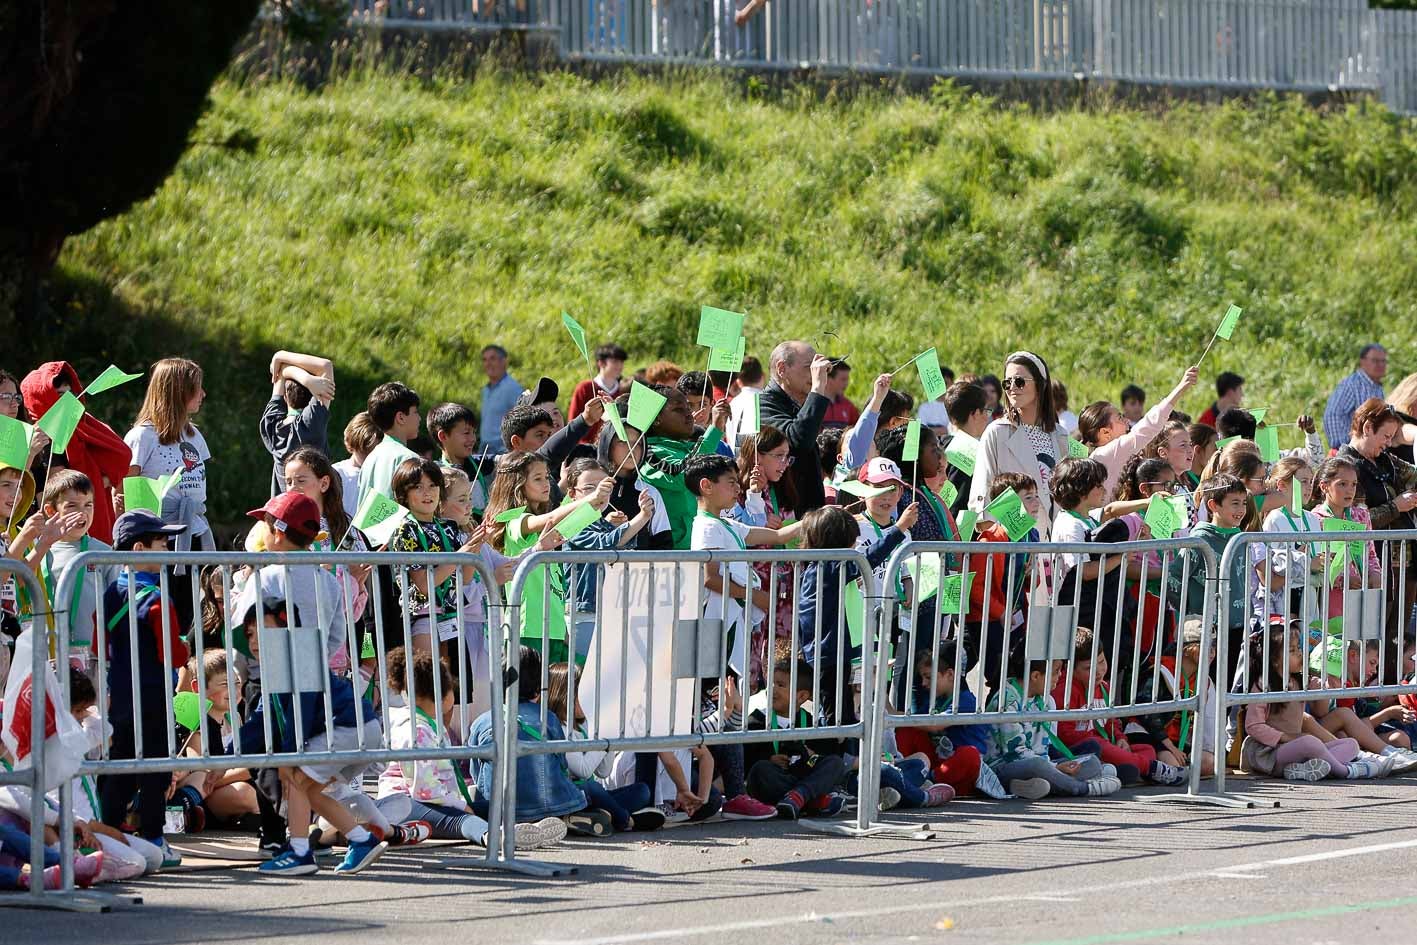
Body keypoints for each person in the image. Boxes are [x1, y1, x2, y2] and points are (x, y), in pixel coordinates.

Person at [231, 602, 387, 875]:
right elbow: (262, 720)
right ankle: (362, 840)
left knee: (298, 779)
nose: (255, 640)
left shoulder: (300, 661)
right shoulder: (278, 670)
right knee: (311, 790)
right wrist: (225, 752)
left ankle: (300, 853)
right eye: (251, 633)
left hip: (349, 728)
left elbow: (300, 714)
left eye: (265, 630)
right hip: (354, 732)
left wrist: (290, 758)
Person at [377, 647, 566, 848]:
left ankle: (526, 827)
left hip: (433, 799)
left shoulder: (430, 724)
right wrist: (461, 805)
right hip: (406, 804)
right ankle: (495, 837)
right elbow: (424, 790)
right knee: (460, 820)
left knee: (494, 808)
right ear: (442, 694)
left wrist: (461, 803)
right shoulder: (415, 731)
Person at [99, 509, 190, 870]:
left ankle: (107, 830)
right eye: (161, 542)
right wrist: (183, 645)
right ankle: (153, 836)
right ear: (139, 548)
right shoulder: (156, 599)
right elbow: (174, 653)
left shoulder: (110, 591)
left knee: (121, 761)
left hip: (119, 692)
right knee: (156, 766)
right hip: (152, 694)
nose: (167, 547)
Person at [468, 646, 609, 834]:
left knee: (468, 804)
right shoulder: (549, 719)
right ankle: (600, 817)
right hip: (550, 805)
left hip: (501, 810)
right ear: (538, 687)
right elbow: (561, 765)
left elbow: (476, 772)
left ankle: (529, 823)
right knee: (595, 791)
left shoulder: (482, 722)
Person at [1240, 624, 1388, 781]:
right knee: (1309, 742)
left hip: (1296, 751)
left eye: (1298, 648)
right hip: (1269, 753)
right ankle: (1345, 771)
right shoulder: (1263, 685)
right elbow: (1253, 726)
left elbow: (1321, 710)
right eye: (1292, 651)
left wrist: (1324, 688)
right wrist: (1287, 737)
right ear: (1274, 660)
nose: (1299, 653)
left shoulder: (1301, 681)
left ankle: (1301, 770)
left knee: (1351, 744)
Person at [1051, 627, 1189, 785]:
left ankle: (1118, 770)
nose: (1098, 671)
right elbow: (1064, 733)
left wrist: (1120, 738)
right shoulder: (1065, 690)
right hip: (1078, 750)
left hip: (1106, 744)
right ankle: (1148, 769)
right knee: (1097, 745)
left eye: (1102, 662)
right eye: (1089, 668)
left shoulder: (1104, 687)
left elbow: (1111, 722)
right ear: (1070, 669)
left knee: (1147, 749)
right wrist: (1098, 739)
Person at [983, 644, 1121, 799]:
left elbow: (1045, 747)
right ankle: (1083, 788)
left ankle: (1033, 786)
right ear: (1035, 676)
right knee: (1037, 766)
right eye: (1056, 672)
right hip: (1004, 767)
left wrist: (1059, 767)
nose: (1060, 676)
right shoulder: (1007, 700)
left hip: (1041, 763)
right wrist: (1055, 767)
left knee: (1092, 761)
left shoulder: (1047, 700)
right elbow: (1015, 753)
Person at [545, 662, 667, 833]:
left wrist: (607, 734)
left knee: (642, 791)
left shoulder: (583, 726)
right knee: (593, 788)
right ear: (564, 696)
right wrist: (603, 738)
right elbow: (583, 770)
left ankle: (595, 817)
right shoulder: (560, 728)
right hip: (567, 795)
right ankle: (627, 821)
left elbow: (604, 771)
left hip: (588, 797)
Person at [20, 362, 131, 545]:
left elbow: (121, 456)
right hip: (54, 537)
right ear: (42, 398)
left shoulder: (83, 427)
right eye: (60, 396)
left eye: (71, 395)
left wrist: (95, 481)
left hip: (87, 531)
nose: (68, 403)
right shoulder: (36, 439)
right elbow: (56, 489)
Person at [385, 458, 482, 660]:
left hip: (452, 616)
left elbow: (464, 578)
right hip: (422, 617)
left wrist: (475, 545)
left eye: (432, 485)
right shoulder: (405, 529)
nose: (427, 492)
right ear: (404, 494)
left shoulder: (448, 526)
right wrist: (460, 556)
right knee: (430, 687)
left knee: (458, 687)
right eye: (418, 487)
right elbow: (424, 585)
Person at [123, 357, 213, 560]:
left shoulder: (194, 435)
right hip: (157, 538)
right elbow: (123, 493)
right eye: (197, 388)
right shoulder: (141, 436)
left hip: (195, 530)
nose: (203, 394)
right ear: (179, 391)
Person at [967, 351, 1071, 523]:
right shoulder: (996, 432)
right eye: (1007, 383)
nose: (1012, 388)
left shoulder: (1060, 435)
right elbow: (982, 494)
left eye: (1020, 382)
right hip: (1013, 542)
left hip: (1054, 541)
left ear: (1040, 384)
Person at [743, 658, 848, 820]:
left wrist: (811, 754)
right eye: (770, 683)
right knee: (760, 770)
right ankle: (811, 801)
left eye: (780, 685)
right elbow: (746, 760)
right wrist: (769, 758)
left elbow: (827, 753)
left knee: (835, 763)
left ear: (802, 696)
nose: (772, 689)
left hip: (802, 777)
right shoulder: (756, 720)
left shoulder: (811, 722)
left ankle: (799, 797)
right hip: (777, 779)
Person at [1075, 366, 1198, 502]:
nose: (1127, 420)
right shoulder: (1106, 453)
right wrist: (1181, 387)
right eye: (1120, 418)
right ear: (1105, 432)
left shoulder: (1104, 455)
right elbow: (1149, 426)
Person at [37, 470, 117, 674]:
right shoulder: (37, 550)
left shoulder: (104, 553)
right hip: (43, 656)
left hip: (93, 659)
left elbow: (117, 606)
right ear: (50, 510)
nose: (82, 513)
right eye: (72, 506)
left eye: (88, 505)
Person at [639, 385, 728, 549]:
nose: (689, 414)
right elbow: (684, 476)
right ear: (657, 418)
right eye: (679, 409)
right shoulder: (648, 453)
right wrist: (714, 430)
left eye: (687, 407)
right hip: (673, 556)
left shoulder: (688, 448)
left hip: (700, 549)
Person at [759, 340, 834, 517]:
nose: (816, 373)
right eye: (809, 367)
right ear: (782, 369)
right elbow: (797, 441)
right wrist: (817, 389)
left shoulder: (799, 403)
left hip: (808, 512)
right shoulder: (763, 404)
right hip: (783, 518)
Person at [258, 351, 334, 497]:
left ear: (285, 397)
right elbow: (326, 365)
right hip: (314, 515)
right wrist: (308, 379)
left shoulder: (271, 425)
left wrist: (279, 356)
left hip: (282, 516)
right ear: (315, 394)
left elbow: (279, 373)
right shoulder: (311, 423)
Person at [357, 381, 421, 507]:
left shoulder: (371, 457)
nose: (419, 418)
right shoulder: (408, 458)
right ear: (401, 417)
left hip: (367, 527)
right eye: (415, 412)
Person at [1324, 344, 1388, 449]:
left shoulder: (1377, 388)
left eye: (1383, 361)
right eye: (1375, 361)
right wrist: (1343, 446)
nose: (1380, 365)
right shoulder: (1352, 385)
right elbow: (1332, 414)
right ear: (1362, 362)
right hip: (1350, 452)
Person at [941, 381, 990, 517]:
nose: (987, 416)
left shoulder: (939, 444)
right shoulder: (966, 452)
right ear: (974, 413)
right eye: (986, 410)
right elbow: (957, 502)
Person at [569, 343, 628, 445]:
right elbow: (573, 422)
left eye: (621, 361)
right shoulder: (584, 388)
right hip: (585, 449)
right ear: (601, 363)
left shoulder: (624, 390)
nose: (620, 366)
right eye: (615, 361)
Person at [479, 344, 524, 454]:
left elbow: (521, 420)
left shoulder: (512, 388)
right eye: (485, 360)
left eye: (492, 359)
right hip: (484, 449)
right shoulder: (486, 389)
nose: (488, 364)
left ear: (504, 361)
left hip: (502, 450)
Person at [335, 412, 381, 518]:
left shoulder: (385, 476)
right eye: (365, 451)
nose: (371, 457)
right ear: (351, 445)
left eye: (376, 453)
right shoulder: (337, 474)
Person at [821, 359, 859, 428]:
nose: (846, 383)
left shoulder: (849, 406)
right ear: (828, 379)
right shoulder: (813, 404)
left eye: (847, 379)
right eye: (843, 379)